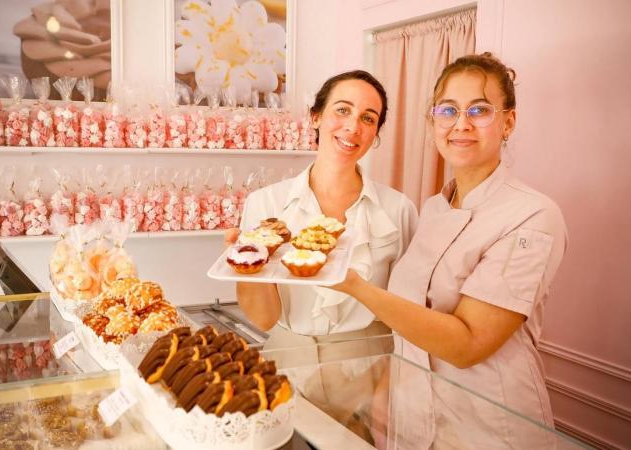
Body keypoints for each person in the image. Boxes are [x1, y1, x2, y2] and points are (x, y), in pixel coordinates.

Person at [331, 53, 568, 448]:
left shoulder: (533, 215)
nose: (461, 124)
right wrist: (383, 399)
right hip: (411, 418)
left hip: (487, 425)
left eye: (479, 110)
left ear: (508, 121)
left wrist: (357, 287)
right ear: (432, 121)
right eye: (448, 110)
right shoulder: (434, 208)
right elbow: (409, 327)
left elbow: (467, 344)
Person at [225, 70, 418, 435]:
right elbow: (264, 318)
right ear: (315, 116)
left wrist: (386, 389)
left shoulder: (399, 210)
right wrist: (247, 267)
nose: (353, 127)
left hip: (368, 365)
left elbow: (407, 312)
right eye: (342, 110)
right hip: (287, 362)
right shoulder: (266, 203)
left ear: (376, 133)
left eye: (368, 118)